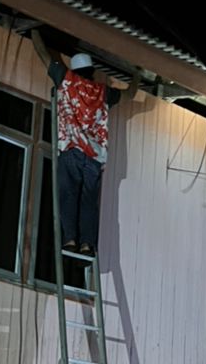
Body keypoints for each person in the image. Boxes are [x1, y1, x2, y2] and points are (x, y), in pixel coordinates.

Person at [30, 29, 140, 255]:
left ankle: (70, 239)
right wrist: (138, 74)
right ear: (91, 71)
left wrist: (34, 30)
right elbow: (129, 94)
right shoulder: (103, 92)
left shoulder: (67, 80)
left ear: (76, 69)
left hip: (71, 150)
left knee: (68, 195)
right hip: (94, 157)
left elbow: (43, 54)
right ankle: (88, 244)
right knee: (89, 202)